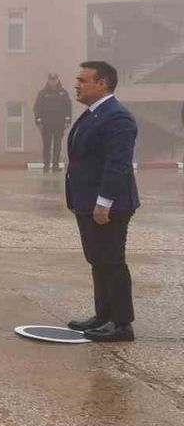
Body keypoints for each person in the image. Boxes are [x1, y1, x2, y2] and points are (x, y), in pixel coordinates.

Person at [65, 61, 139, 342]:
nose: (77, 85)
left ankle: (122, 324)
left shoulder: (117, 117)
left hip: (109, 205)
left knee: (112, 261)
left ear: (102, 84)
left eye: (83, 80)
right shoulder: (93, 114)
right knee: (98, 260)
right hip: (89, 202)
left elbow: (118, 164)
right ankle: (103, 315)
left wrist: (104, 202)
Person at [33, 73, 73, 173]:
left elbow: (68, 107)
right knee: (46, 145)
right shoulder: (42, 94)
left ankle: (55, 165)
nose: (53, 82)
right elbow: (37, 107)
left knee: (57, 145)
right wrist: (38, 120)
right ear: (48, 80)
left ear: (57, 80)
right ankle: (46, 166)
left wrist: (68, 120)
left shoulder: (63, 93)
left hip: (59, 124)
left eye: (54, 80)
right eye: (51, 80)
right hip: (46, 124)